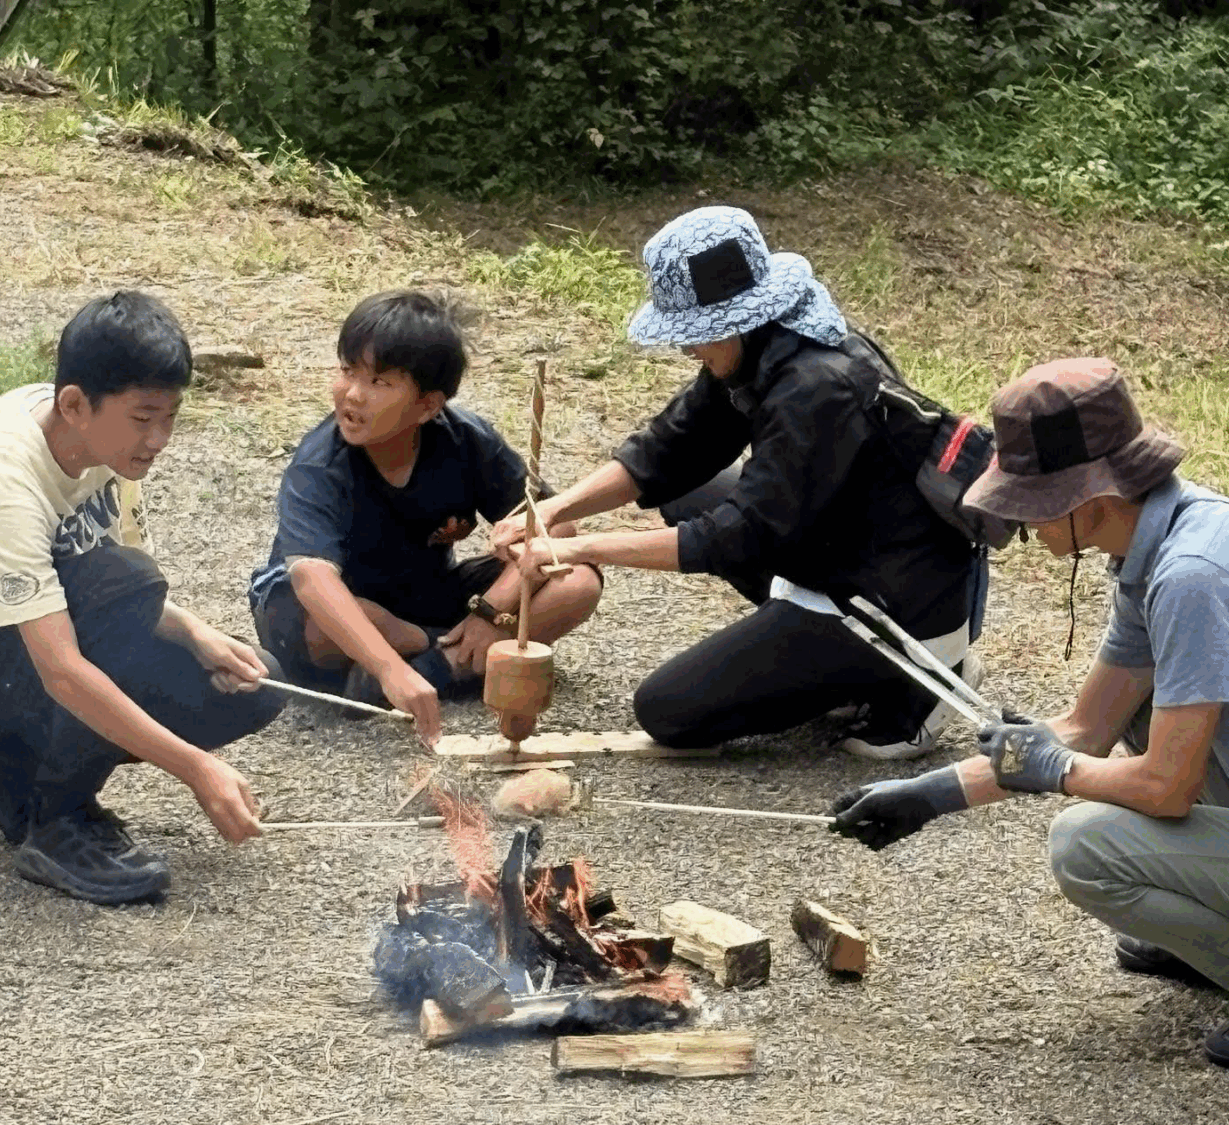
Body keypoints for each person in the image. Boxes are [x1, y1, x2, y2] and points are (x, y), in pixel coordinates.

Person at [830, 356, 1229, 1066]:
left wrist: (1058, 774)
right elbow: (1086, 729)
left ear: (1089, 496)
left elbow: (1166, 786)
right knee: (1135, 719)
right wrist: (929, 796)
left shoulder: (1194, 576)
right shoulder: (1156, 546)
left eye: (1031, 502)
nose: (1019, 522)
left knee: (1086, 844)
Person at [490, 205, 983, 758]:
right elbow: (668, 448)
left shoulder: (817, 387)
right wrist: (554, 512)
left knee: (668, 709)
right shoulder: (769, 343)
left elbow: (738, 535)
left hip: (890, 600)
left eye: (694, 334)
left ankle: (918, 678)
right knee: (686, 491)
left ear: (734, 318)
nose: (687, 348)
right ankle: (817, 662)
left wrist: (580, 546)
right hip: (840, 549)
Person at [0, 291, 281, 906]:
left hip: (17, 649)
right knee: (123, 589)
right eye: (143, 417)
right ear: (75, 404)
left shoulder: (98, 445)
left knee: (255, 685)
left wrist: (198, 633)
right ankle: (56, 820)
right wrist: (196, 769)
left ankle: (25, 783)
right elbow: (68, 665)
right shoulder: (0, 483)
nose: (159, 439)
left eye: (171, 417)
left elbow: (110, 586)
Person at [247, 290, 603, 747]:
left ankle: (435, 666)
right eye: (348, 370)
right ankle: (428, 661)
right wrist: (391, 665)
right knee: (324, 626)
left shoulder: (467, 441)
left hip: (428, 598)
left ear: (429, 405)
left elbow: (556, 525)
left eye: (380, 382)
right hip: (335, 608)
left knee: (577, 581)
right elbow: (313, 580)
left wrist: (490, 613)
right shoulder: (320, 464)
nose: (352, 394)